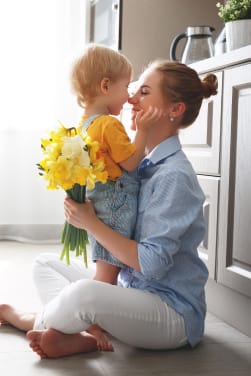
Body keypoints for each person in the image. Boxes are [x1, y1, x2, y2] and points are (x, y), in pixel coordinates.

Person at [0, 59, 218, 359]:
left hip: (171, 312)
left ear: (174, 109)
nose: (130, 99)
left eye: (143, 92)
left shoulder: (174, 176)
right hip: (132, 292)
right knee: (45, 264)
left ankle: (25, 319)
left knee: (83, 295)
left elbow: (152, 264)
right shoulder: (141, 164)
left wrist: (92, 224)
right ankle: (83, 335)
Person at [70, 44, 163, 347]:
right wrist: (144, 131)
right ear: (105, 85)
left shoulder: (83, 125)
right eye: (126, 87)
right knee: (106, 277)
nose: (128, 96)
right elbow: (132, 162)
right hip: (116, 208)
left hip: (100, 206)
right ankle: (87, 325)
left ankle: (87, 322)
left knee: (104, 270)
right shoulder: (109, 123)